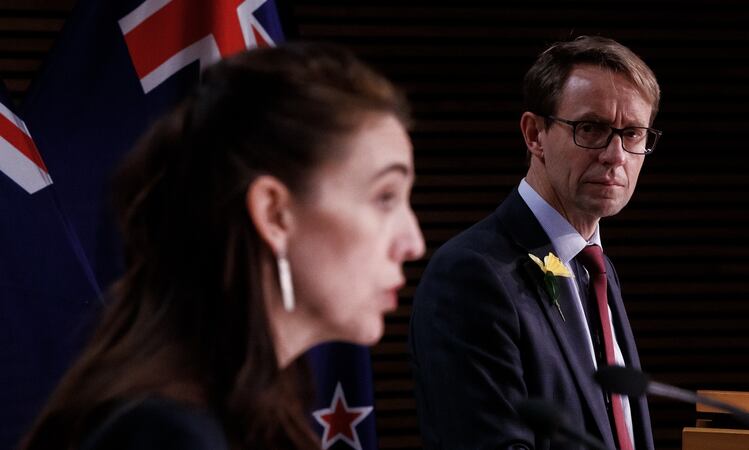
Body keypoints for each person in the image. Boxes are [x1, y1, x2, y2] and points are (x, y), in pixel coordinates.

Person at [19, 42, 425, 450]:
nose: (414, 244)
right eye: (384, 197)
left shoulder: (238, 416)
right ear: (274, 213)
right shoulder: (167, 437)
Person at [409, 35, 661, 450]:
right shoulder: (471, 274)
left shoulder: (596, 267)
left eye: (632, 133)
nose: (616, 155)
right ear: (534, 134)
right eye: (591, 128)